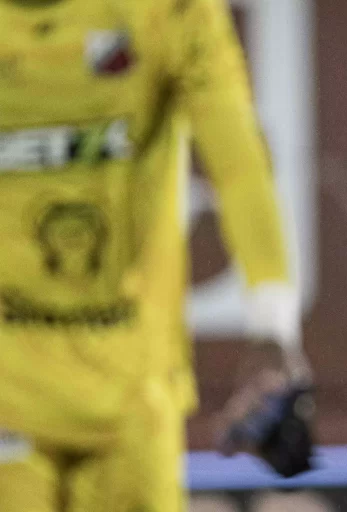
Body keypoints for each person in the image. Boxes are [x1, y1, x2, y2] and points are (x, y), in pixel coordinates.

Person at [0, 0, 312, 510]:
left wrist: (274, 325)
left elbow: (237, 163)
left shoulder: (167, 11)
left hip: (132, 396)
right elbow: (240, 167)